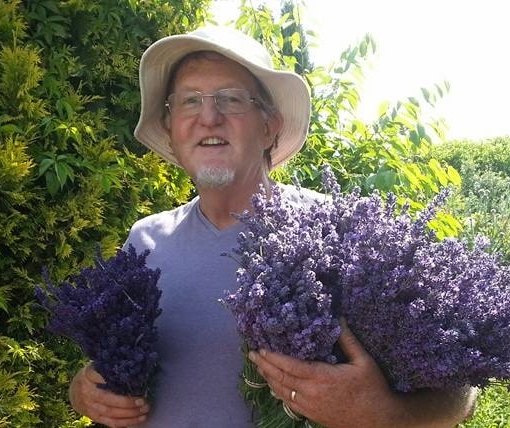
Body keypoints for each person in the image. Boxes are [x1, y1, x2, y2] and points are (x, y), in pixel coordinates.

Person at [67, 26, 477, 427]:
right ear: (172, 133)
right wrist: (82, 392)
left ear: (270, 126)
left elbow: (462, 393)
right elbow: (103, 370)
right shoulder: (145, 241)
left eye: (231, 99)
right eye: (189, 101)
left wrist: (382, 412)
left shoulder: (347, 233)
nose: (209, 116)